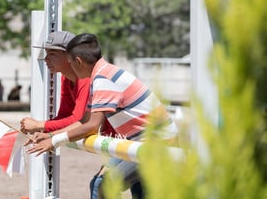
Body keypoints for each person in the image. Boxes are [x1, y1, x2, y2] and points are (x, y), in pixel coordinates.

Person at [26, 33, 178, 199]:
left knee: (106, 185)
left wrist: (54, 140)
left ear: (78, 62)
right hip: (141, 142)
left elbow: (92, 125)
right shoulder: (100, 75)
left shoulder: (103, 79)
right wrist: (49, 136)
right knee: (120, 188)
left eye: (70, 62)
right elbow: (83, 121)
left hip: (156, 143)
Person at [20, 30, 91, 134]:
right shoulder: (66, 78)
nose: (46, 59)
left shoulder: (86, 78)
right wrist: (42, 131)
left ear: (69, 56)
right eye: (46, 53)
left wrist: (40, 125)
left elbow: (78, 120)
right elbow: (65, 115)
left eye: (52, 54)